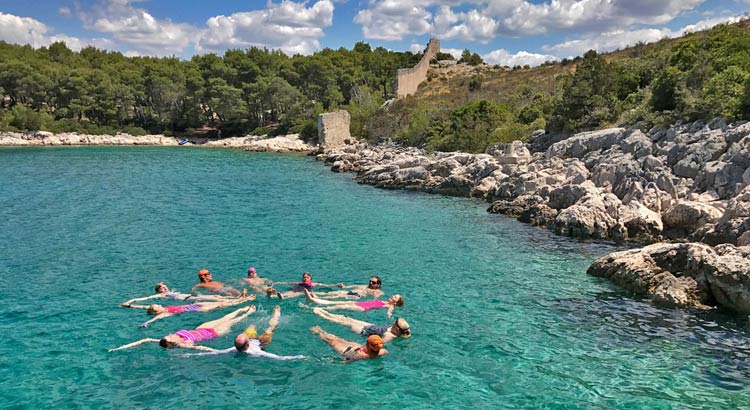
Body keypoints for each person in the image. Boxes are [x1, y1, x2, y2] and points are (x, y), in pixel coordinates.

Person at [108, 305, 257, 352]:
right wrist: (217, 351)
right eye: (168, 337)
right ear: (171, 343)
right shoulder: (182, 343)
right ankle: (249, 312)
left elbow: (145, 339)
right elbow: (201, 348)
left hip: (201, 328)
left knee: (225, 317)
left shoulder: (169, 339)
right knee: (232, 321)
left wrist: (119, 348)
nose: (168, 334)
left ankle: (241, 308)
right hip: (213, 334)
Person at [179, 306, 304, 361]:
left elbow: (213, 353)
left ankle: (253, 315)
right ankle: (276, 314)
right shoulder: (255, 352)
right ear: (248, 344)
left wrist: (187, 354)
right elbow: (277, 358)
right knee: (270, 328)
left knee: (251, 326)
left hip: (249, 342)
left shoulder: (233, 349)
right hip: (262, 343)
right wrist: (300, 357)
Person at [122, 294, 255, 327]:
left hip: (195, 305)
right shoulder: (165, 313)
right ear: (157, 311)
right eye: (157, 306)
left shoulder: (163, 309)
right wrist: (147, 323)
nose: (158, 304)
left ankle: (240, 299)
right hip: (194, 309)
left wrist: (129, 304)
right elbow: (155, 318)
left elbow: (143, 307)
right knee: (220, 306)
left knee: (220, 302)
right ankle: (244, 300)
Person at [311, 307, 410, 343]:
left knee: (346, 323)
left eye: (395, 323)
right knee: (348, 319)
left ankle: (323, 316)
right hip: (370, 326)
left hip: (364, 331)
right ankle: (327, 313)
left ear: (397, 327)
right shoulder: (392, 329)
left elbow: (378, 344)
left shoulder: (389, 336)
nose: (393, 322)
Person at [304, 289, 404, 318]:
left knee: (338, 306)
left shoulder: (390, 306)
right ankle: (313, 299)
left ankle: (321, 310)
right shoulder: (384, 301)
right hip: (360, 303)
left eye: (395, 297)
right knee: (336, 302)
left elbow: (389, 313)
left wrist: (389, 316)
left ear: (396, 302)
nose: (392, 296)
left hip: (362, 308)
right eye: (394, 295)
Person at [120, 282, 237, 306]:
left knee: (216, 296)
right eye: (162, 288)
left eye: (165, 286)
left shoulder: (170, 291)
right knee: (215, 299)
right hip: (188, 300)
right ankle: (234, 301)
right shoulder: (160, 295)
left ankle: (236, 298)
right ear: (159, 291)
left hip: (191, 297)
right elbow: (144, 298)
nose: (164, 288)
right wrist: (130, 301)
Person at [309, 326, 387, 362]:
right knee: (338, 339)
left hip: (345, 350)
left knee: (331, 340)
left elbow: (347, 361)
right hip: (355, 347)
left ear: (367, 343)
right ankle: (319, 331)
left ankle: (318, 331)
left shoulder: (362, 355)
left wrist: (333, 361)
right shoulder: (383, 351)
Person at [266, 272, 344, 299]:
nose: (305, 278)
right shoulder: (298, 283)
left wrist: (337, 285)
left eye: (307, 277)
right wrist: (274, 283)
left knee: (297, 294)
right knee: (289, 292)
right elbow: (285, 283)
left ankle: (280, 297)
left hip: (301, 292)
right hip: (294, 290)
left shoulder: (314, 284)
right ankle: (272, 294)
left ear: (310, 279)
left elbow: (327, 285)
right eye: (304, 277)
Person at [313, 276, 385, 300]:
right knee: (332, 293)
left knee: (337, 296)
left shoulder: (378, 292)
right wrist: (344, 286)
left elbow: (375, 300)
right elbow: (353, 286)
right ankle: (313, 294)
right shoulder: (364, 286)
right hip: (348, 292)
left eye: (373, 282)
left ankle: (318, 298)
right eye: (370, 281)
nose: (371, 283)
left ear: (378, 285)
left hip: (355, 296)